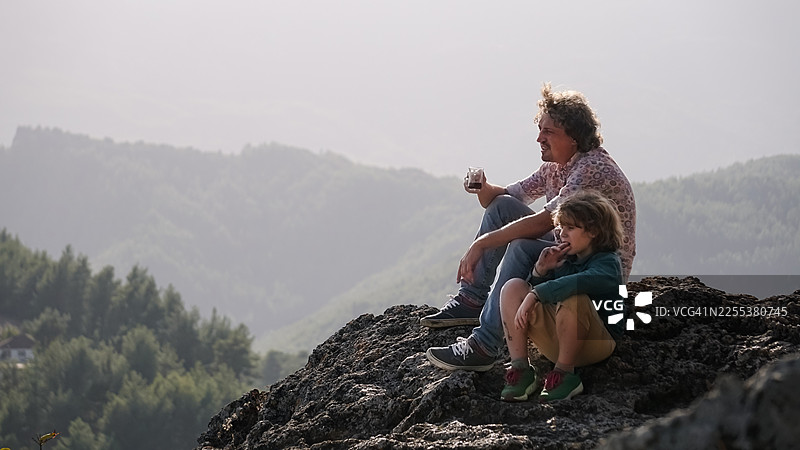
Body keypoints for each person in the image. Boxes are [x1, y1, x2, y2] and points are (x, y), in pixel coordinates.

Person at [423, 83, 636, 372]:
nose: (539, 138)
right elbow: (504, 200)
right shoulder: (556, 165)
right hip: (572, 246)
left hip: (595, 264)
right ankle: (472, 300)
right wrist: (482, 188)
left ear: (573, 137)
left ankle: (485, 345)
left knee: (523, 246)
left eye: (548, 132)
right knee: (502, 208)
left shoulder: (591, 170)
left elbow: (542, 222)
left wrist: (481, 243)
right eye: (540, 129)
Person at [499, 191, 624, 402]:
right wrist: (540, 272)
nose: (562, 234)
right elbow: (544, 299)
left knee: (574, 296)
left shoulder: (608, 263)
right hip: (558, 340)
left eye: (571, 228)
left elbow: (582, 282)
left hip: (597, 344)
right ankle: (521, 369)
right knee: (513, 287)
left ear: (593, 231)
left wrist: (536, 294)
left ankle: (564, 374)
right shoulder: (564, 260)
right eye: (561, 227)